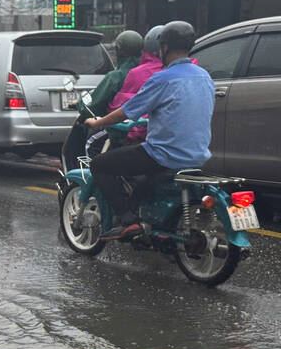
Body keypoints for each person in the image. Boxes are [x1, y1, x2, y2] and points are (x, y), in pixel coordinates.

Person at [85, 21, 214, 241]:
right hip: (198, 155)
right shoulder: (204, 76)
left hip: (163, 156)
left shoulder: (162, 78)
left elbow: (127, 111)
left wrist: (98, 123)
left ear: (164, 47)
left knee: (100, 165)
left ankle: (128, 220)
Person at [61, 30, 143, 171]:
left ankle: (93, 178)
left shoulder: (117, 76)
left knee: (91, 145)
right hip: (143, 126)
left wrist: (81, 105)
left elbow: (95, 104)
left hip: (120, 126)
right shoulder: (149, 72)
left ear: (119, 51)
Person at [107, 25, 165, 143]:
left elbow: (124, 108)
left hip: (145, 138)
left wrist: (99, 122)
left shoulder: (138, 73)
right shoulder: (197, 75)